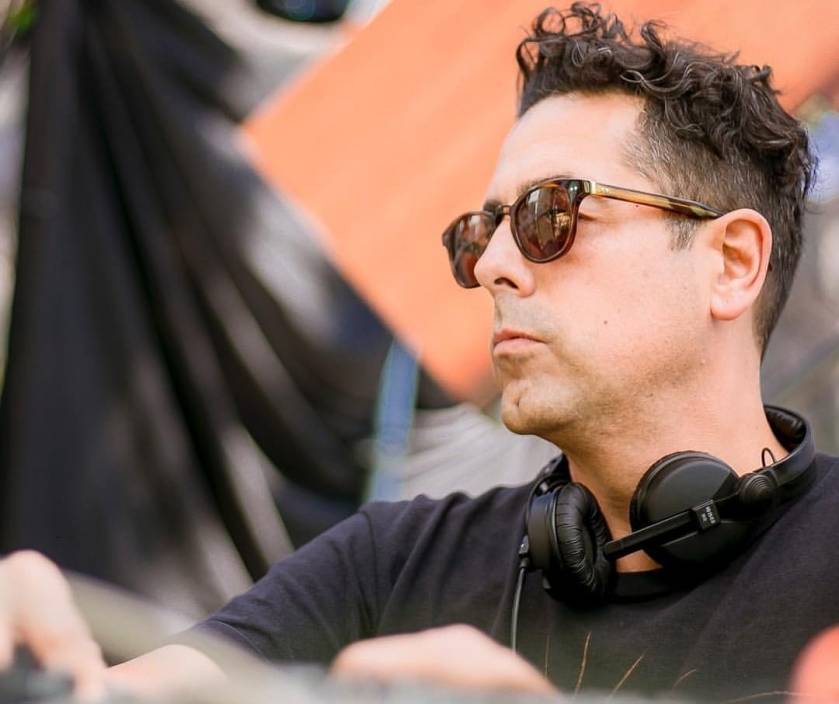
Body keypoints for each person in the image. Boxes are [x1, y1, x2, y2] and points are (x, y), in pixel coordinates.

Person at [0, 3, 834, 701]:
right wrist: (41, 648)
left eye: (550, 213)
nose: (493, 265)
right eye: (480, 232)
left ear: (730, 264)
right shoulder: (391, 561)